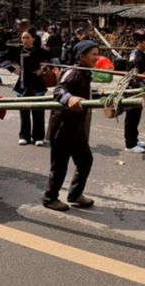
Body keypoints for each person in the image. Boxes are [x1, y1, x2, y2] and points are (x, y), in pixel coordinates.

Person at [42, 40, 100, 212]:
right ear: (82, 57)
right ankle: (49, 198)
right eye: (93, 55)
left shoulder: (85, 72)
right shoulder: (73, 72)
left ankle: (75, 195)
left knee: (85, 161)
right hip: (63, 128)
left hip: (76, 129)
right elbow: (58, 90)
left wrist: (96, 94)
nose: (97, 58)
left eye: (97, 54)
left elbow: (83, 91)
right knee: (59, 167)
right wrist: (70, 98)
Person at [7, 28, 52, 146]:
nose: (25, 40)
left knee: (38, 112)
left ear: (33, 39)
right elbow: (0, 59)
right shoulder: (17, 50)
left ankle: (38, 137)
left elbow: (53, 60)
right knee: (24, 112)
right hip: (22, 85)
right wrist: (13, 69)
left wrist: (42, 69)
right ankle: (24, 136)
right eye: (23, 38)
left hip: (37, 85)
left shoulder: (40, 51)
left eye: (27, 37)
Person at [123, 29, 145, 153]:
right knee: (132, 117)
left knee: (136, 116)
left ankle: (134, 139)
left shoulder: (142, 54)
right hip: (134, 91)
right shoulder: (134, 57)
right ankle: (129, 144)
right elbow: (134, 77)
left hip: (140, 89)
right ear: (139, 42)